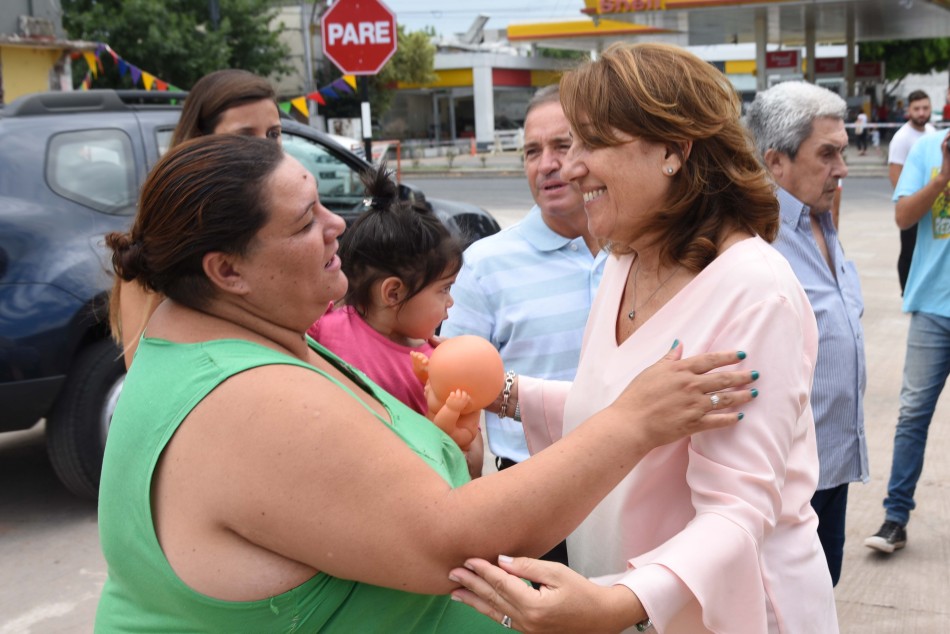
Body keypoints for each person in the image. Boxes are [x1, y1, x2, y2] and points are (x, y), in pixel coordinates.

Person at [96, 133, 757, 631]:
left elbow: (358, 497)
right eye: (303, 224)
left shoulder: (220, 333)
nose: (337, 226)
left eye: (322, 205)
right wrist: (632, 421)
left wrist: (443, 446)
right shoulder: (241, 397)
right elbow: (458, 542)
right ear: (226, 271)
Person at [448, 43, 837, 633]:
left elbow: (736, 511)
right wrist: (503, 393)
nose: (570, 167)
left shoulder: (754, 291)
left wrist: (617, 603)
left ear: (675, 152)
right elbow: (617, 412)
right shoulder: (628, 257)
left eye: (591, 142)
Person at [441, 85, 607, 566]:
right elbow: (454, 383)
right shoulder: (485, 264)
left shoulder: (637, 247)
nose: (546, 164)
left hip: (633, 485)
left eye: (562, 146)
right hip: (534, 500)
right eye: (533, 151)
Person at [745, 81, 868, 587]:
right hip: (787, 484)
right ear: (776, 162)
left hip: (834, 468)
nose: (842, 168)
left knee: (822, 592)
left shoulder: (821, 220)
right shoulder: (758, 241)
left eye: (842, 151)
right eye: (828, 154)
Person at [306, 165, 485, 475]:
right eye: (443, 289)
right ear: (393, 293)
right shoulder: (321, 327)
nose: (450, 302)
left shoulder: (437, 366)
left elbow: (468, 460)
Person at [109, 68, 282, 368]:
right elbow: (142, 370)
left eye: (274, 134)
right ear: (201, 140)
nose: (266, 148)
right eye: (245, 135)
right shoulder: (163, 241)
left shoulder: (281, 220)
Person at [865, 127, 950, 555]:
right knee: (913, 414)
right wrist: (942, 178)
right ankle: (895, 519)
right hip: (934, 306)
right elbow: (903, 217)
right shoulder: (927, 150)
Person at [888, 90, 935, 294]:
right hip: (912, 204)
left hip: (932, 204)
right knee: (909, 251)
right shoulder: (902, 138)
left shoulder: (932, 132)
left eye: (925, 108)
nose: (922, 113)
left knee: (928, 250)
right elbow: (895, 174)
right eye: (917, 109)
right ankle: (906, 292)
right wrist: (906, 203)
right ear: (909, 110)